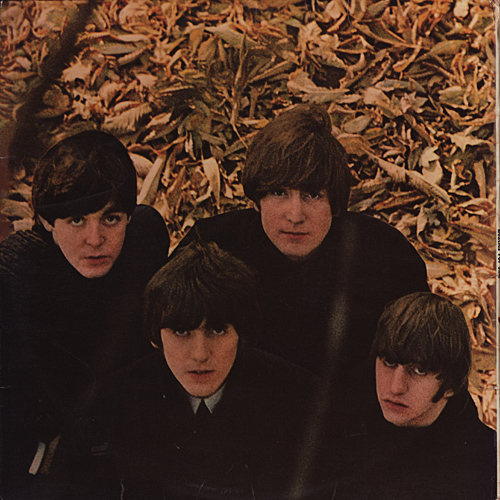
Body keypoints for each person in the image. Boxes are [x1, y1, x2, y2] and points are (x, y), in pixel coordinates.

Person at [173, 104, 429, 383]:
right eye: (278, 192)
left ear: (335, 202)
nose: (295, 215)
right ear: (257, 199)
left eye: (312, 195)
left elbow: (429, 361)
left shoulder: (387, 258)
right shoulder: (212, 247)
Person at [0, 130, 170, 498]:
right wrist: (38, 455)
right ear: (47, 220)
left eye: (111, 218)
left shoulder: (145, 239)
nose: (95, 239)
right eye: (77, 220)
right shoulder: (17, 272)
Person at [96, 240, 327, 500]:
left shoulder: (301, 400)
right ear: (155, 337)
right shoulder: (118, 400)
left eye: (217, 330)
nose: (200, 355)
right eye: (181, 331)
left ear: (241, 333)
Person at [336, 292, 496, 500]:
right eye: (389, 362)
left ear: (452, 384)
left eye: (419, 370)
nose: (396, 387)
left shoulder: (481, 465)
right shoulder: (342, 412)